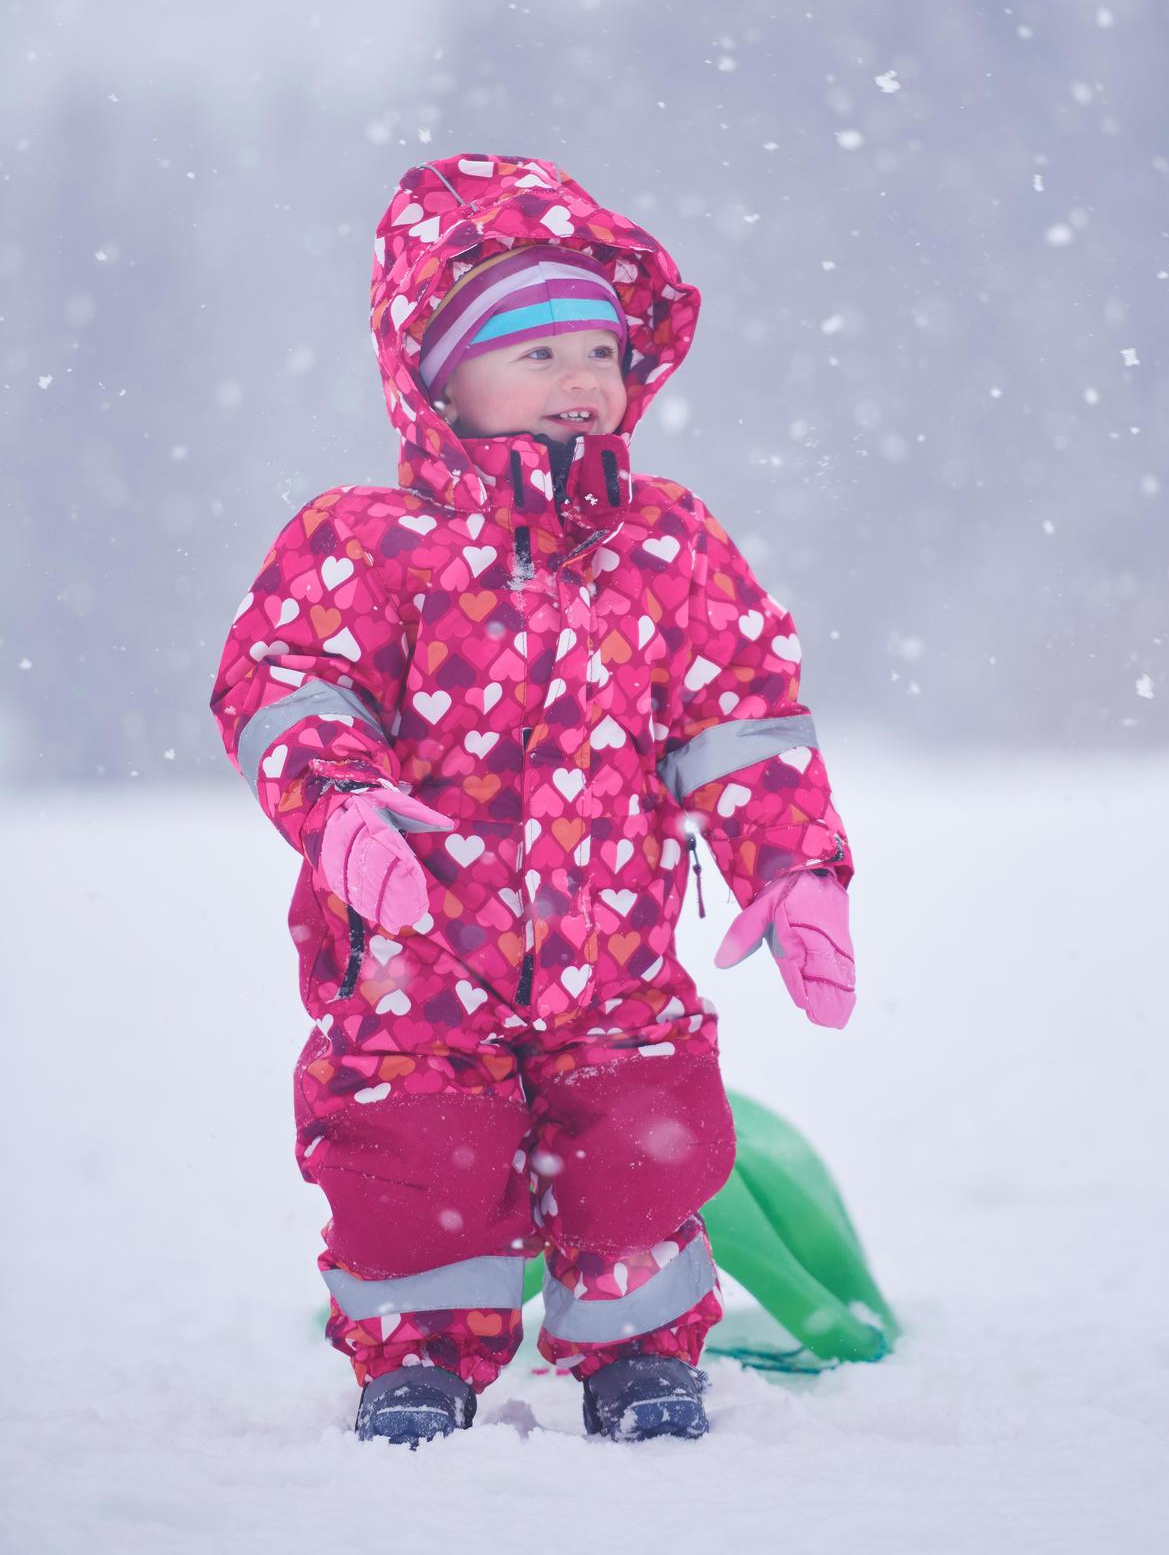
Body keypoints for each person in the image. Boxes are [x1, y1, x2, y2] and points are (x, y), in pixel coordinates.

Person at [210, 151, 857, 1447]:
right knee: (408, 1155)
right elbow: (291, 683)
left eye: (603, 355)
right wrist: (344, 807)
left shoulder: (667, 544)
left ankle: (637, 1355)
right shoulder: (366, 538)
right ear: (440, 374)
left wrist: (793, 868)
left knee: (646, 1144)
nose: (583, 382)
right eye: (540, 352)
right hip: (415, 954)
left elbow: (739, 717)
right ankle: (420, 1361)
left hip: (612, 950)